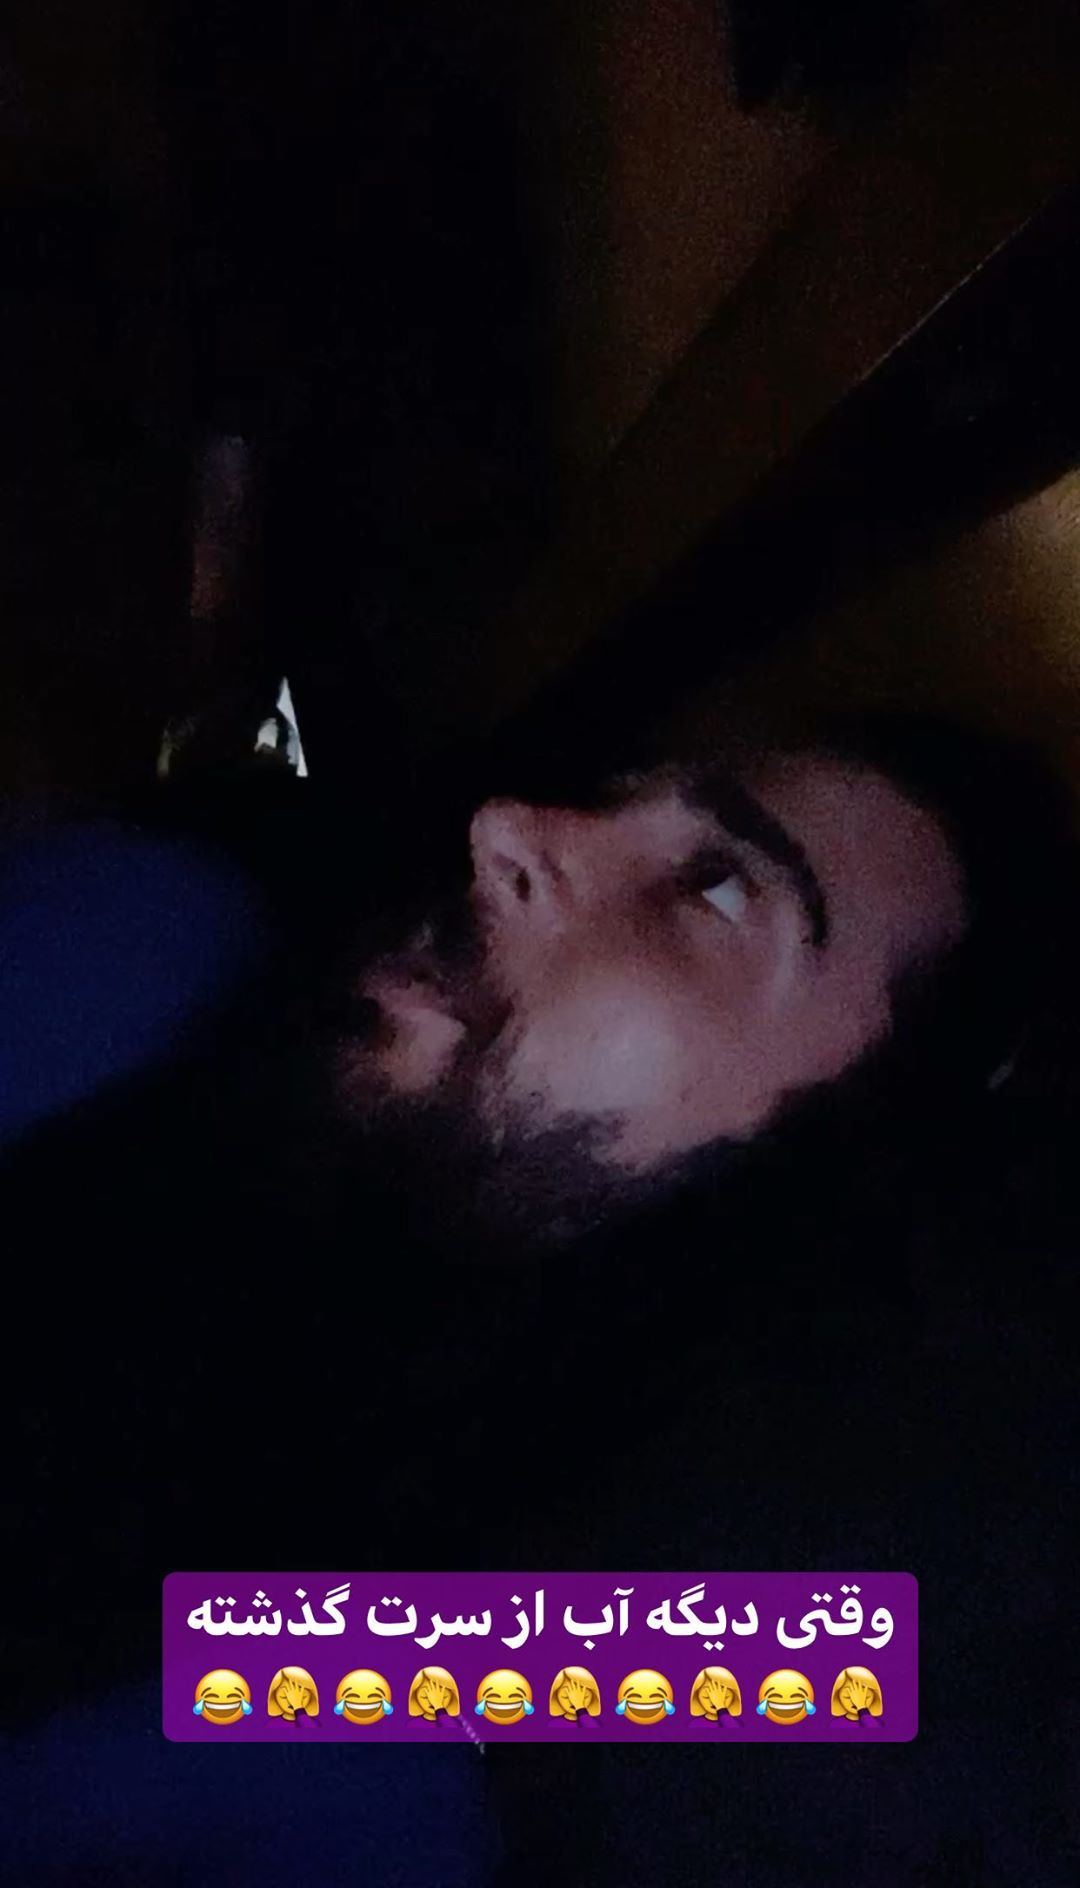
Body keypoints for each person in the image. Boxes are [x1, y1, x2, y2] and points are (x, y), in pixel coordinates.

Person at [5, 706, 1077, 1884]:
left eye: (718, 892)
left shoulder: (386, 1695)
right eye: (614, 791)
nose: (507, 827)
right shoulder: (144, 954)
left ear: (817, 1178)